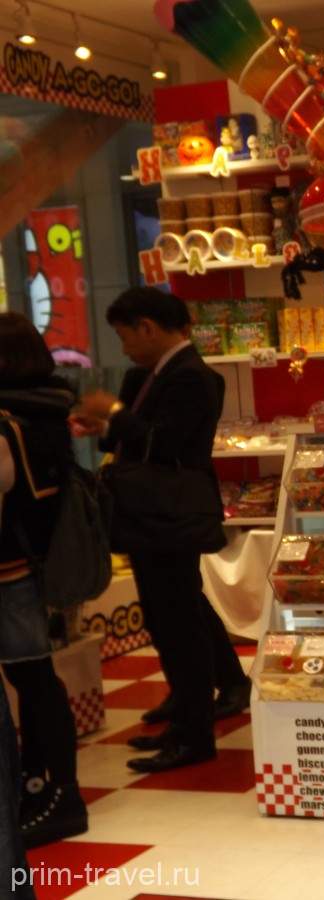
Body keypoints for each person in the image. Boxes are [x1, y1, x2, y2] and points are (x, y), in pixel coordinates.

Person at [72, 287, 249, 773]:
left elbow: (164, 445)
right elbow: (131, 440)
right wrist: (102, 424)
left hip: (171, 516)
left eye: (125, 335)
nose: (124, 347)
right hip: (145, 515)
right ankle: (185, 715)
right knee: (164, 618)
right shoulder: (145, 375)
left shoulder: (194, 377)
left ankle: (194, 733)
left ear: (147, 327)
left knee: (179, 623)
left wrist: (113, 413)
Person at [0, 313, 87, 848]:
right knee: (35, 679)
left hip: (11, 567)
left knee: (31, 680)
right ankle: (47, 788)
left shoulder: (9, 418)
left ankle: (56, 794)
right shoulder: (48, 405)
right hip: (39, 558)